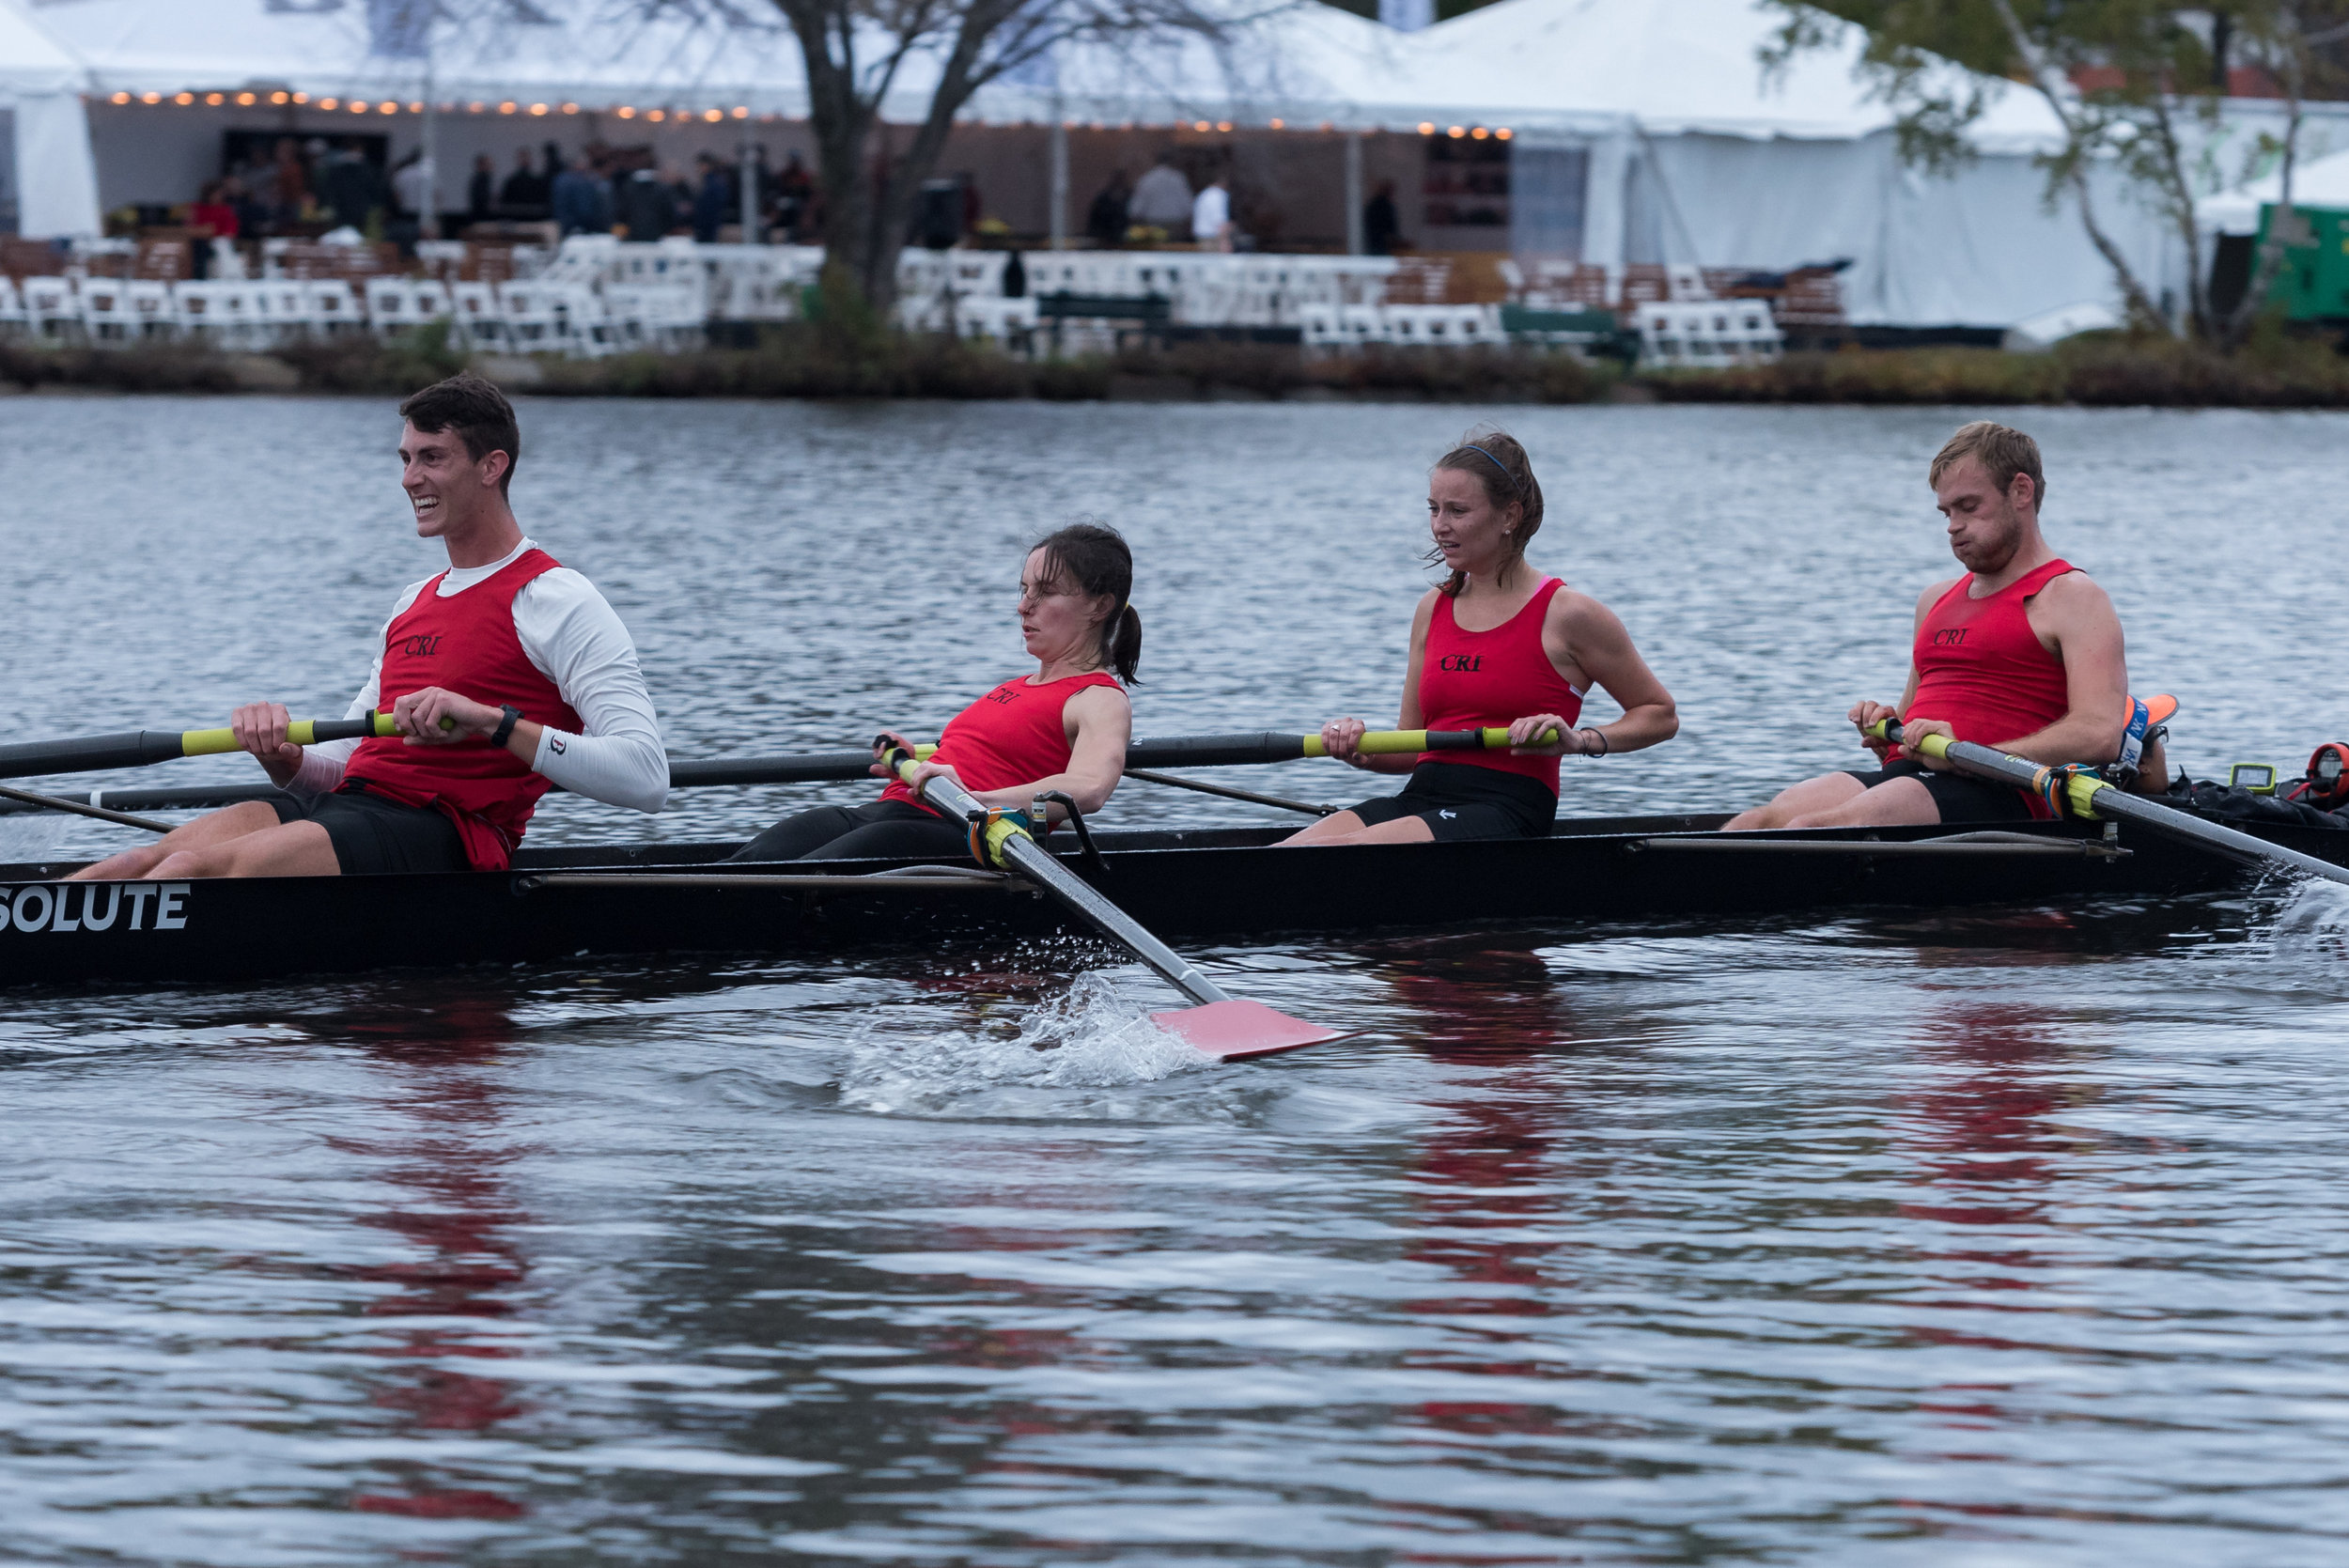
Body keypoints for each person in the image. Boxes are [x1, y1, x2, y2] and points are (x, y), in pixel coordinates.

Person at [70, 375, 666, 883]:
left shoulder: (556, 598)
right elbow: (353, 761)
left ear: (492, 467)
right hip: (352, 809)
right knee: (135, 862)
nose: (410, 478)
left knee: (188, 873)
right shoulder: (413, 603)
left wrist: (492, 720)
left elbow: (645, 776)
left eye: (432, 457)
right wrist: (282, 755)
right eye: (406, 459)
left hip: (448, 833)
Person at [1727, 420, 2168, 831]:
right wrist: (1886, 726)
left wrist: (1973, 757)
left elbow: (2098, 735)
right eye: (1946, 513)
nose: (1954, 527)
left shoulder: (2072, 596)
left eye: (1969, 507)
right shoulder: (1935, 600)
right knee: (1759, 822)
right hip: (1913, 776)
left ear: (2020, 491)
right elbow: (1912, 714)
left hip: (2006, 791)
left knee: (1821, 829)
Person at [1283, 430, 1677, 846]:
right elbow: (1410, 747)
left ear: (1509, 516)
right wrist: (1354, 747)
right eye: (1433, 509)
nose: (1439, 526)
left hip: (1507, 806)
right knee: (1282, 855)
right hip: (1422, 798)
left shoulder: (1569, 614)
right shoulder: (1431, 609)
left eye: (1457, 511)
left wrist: (1581, 741)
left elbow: (1659, 713)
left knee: (1338, 853)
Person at [730, 524, 1140, 862]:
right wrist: (922, 756)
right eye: (1024, 589)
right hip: (890, 811)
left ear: (1100, 606)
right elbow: (990, 753)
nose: (1023, 606)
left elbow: (1089, 787)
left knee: (803, 876)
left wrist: (972, 797)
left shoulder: (1098, 698)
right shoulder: (1014, 687)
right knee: (759, 857)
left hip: (961, 832)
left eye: (1045, 592)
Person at [1128, 155, 1191, 240]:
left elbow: (1135, 210)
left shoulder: (1147, 179)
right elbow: (1187, 205)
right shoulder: (1178, 178)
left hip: (1152, 224)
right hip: (1174, 225)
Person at [1086, 168, 1131, 248]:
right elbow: (1095, 220)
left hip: (1125, 241)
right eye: (1117, 179)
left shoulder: (1130, 197)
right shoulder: (1103, 199)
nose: (1119, 182)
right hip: (1105, 241)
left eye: (1121, 179)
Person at [1191, 171, 1233, 252]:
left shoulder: (1203, 194)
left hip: (1202, 237)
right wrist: (1224, 241)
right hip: (1213, 239)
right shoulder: (1217, 195)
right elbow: (1219, 220)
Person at [498, 147, 547, 215]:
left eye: (525, 157)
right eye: (523, 158)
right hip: (526, 218)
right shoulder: (511, 181)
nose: (524, 160)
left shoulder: (511, 181)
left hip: (526, 218)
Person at [1363, 179, 1401, 255]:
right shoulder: (1384, 205)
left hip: (1373, 243)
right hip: (1381, 244)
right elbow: (1389, 227)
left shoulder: (1373, 205)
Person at [467, 153, 497, 223]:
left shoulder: (485, 179)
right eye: (488, 164)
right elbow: (481, 200)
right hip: (482, 216)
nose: (491, 166)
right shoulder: (481, 180)